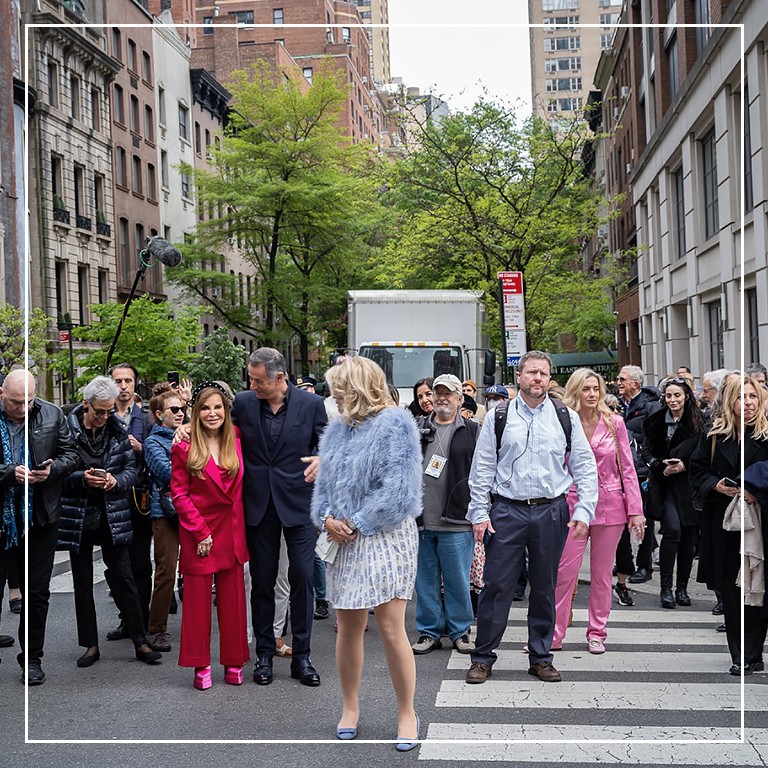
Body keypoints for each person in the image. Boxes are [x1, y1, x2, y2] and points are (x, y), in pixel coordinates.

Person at [465, 351, 598, 684]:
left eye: (543, 373)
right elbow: (482, 467)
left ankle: (541, 656)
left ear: (550, 379)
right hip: (506, 509)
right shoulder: (498, 416)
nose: (537, 378)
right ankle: (483, 657)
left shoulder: (564, 416)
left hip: (551, 509)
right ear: (519, 377)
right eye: (531, 372)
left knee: (544, 586)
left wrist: (584, 509)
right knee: (496, 586)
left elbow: (584, 465)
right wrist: (479, 513)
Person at [311, 356, 422, 749]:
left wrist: (355, 522)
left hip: (386, 536)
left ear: (356, 387)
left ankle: (407, 712)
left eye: (339, 388)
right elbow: (323, 487)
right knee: (350, 625)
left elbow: (401, 493)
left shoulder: (396, 423)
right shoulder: (337, 431)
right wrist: (326, 518)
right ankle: (350, 707)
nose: (334, 396)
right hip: (343, 538)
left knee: (392, 628)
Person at [233, 348, 327, 687]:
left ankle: (302, 657)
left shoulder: (311, 404)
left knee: (302, 577)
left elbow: (326, 442)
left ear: (280, 378)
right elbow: (217, 432)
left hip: (299, 503)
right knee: (262, 581)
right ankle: (264, 655)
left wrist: (322, 459)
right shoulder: (243, 403)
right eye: (251, 379)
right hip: (258, 504)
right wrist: (186, 430)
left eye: (259, 380)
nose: (252, 385)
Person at [59, 376, 161, 668]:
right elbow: (59, 473)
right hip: (78, 514)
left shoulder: (118, 431)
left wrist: (115, 480)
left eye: (109, 410)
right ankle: (90, 645)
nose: (104, 416)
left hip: (111, 512)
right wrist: (82, 479)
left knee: (123, 575)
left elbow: (132, 470)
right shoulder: (67, 431)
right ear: (85, 404)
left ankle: (140, 640)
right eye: (99, 411)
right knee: (82, 582)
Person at [553, 369, 645, 653]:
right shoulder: (563, 421)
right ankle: (553, 633)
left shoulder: (614, 422)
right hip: (572, 503)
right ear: (575, 392)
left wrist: (636, 510)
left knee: (602, 574)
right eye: (586, 389)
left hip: (610, 505)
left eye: (596, 389)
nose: (592, 394)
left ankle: (597, 632)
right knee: (563, 572)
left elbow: (627, 469)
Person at [0, 369, 78, 684]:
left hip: (41, 516)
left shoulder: (52, 413)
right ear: (1, 393)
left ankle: (31, 659)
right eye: (16, 402)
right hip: (3, 517)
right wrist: (8, 473)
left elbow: (71, 455)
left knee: (36, 594)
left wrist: (53, 470)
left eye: (28, 401)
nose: (23, 408)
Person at [170, 381, 250, 688]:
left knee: (233, 603)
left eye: (218, 407)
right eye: (205, 407)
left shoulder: (238, 438)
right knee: (197, 605)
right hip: (199, 532)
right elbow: (179, 494)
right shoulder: (184, 445)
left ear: (226, 410)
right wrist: (200, 532)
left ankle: (233, 661)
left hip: (231, 531)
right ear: (197, 412)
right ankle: (199, 664)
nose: (212, 413)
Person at [690, 375, 768, 674]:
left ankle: (754, 650)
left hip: (760, 521)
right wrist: (716, 485)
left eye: (752, 396)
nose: (746, 403)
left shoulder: (766, 434)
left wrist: (756, 490)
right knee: (730, 587)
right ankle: (740, 654)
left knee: (759, 586)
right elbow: (696, 473)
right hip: (723, 523)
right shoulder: (714, 436)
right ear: (729, 402)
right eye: (740, 397)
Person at [411, 374, 479, 657]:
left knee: (457, 580)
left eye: (447, 394)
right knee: (425, 580)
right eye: (437, 393)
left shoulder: (473, 430)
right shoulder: (417, 428)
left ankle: (460, 631)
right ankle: (429, 632)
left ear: (459, 398)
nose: (441, 398)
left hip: (457, 519)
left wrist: (481, 512)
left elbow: (483, 473)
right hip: (422, 519)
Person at [641, 377, 705, 609]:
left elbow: (704, 452)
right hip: (664, 484)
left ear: (686, 396)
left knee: (688, 537)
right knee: (672, 531)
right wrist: (661, 467)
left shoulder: (699, 420)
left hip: (689, 486)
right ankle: (665, 587)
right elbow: (646, 452)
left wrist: (684, 465)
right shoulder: (654, 420)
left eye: (677, 395)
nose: (673, 400)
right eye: (669, 395)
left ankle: (682, 589)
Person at [106, 363, 151, 641]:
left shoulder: (146, 418)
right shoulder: (103, 415)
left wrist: (141, 447)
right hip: (111, 499)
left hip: (139, 498)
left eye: (128, 381)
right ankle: (127, 617)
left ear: (136, 384)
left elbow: (163, 453)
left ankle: (142, 620)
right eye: (118, 381)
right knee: (116, 565)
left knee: (139, 562)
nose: (123, 386)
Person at [142, 383, 185, 653]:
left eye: (182, 409)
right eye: (174, 409)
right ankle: (156, 629)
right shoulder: (153, 441)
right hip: (165, 513)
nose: (180, 414)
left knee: (194, 573)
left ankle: (195, 622)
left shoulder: (191, 436)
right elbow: (169, 473)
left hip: (193, 510)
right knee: (166, 572)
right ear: (159, 414)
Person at [617, 366, 661, 586]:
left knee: (645, 519)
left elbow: (654, 439)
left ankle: (645, 566)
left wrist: (647, 463)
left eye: (622, 379)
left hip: (643, 471)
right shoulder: (621, 406)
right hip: (625, 469)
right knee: (622, 517)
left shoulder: (650, 406)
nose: (618, 382)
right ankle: (626, 561)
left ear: (636, 383)